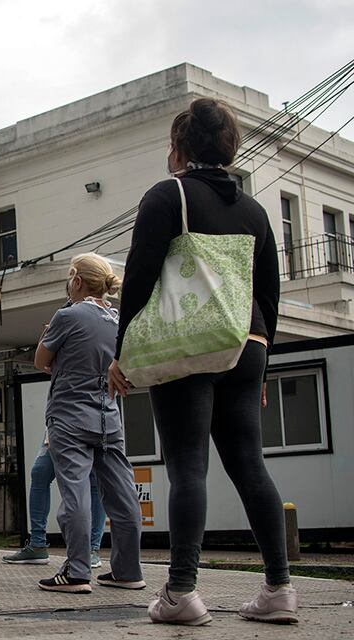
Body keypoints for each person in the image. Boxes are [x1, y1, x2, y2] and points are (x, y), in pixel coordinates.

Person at [109, 98, 297, 625]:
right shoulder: (256, 211)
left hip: (192, 341)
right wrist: (264, 362)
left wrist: (123, 349)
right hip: (251, 342)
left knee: (189, 465)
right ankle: (280, 590)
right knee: (250, 464)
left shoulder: (168, 195)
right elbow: (269, 293)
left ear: (180, 148)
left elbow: (141, 274)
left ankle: (182, 593)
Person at [33, 253, 145, 594]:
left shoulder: (68, 315)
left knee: (75, 493)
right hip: (108, 417)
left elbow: (41, 360)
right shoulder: (117, 319)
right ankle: (127, 570)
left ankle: (77, 571)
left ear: (76, 281)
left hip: (69, 417)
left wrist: (52, 339)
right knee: (122, 494)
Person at [2, 435, 107, 568]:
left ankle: (92, 548)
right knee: (40, 472)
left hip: (87, 425)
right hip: (58, 425)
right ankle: (37, 545)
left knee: (94, 478)